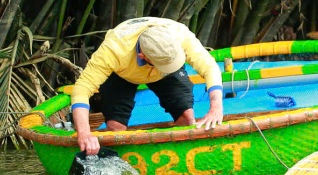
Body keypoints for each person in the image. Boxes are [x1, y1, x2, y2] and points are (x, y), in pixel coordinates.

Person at [71, 17, 224, 155]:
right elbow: (82, 89)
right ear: (142, 56)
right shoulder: (114, 50)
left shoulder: (179, 34)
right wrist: (84, 133)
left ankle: (187, 152)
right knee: (116, 127)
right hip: (122, 73)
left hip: (167, 69)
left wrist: (216, 107)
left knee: (186, 115)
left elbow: (210, 67)